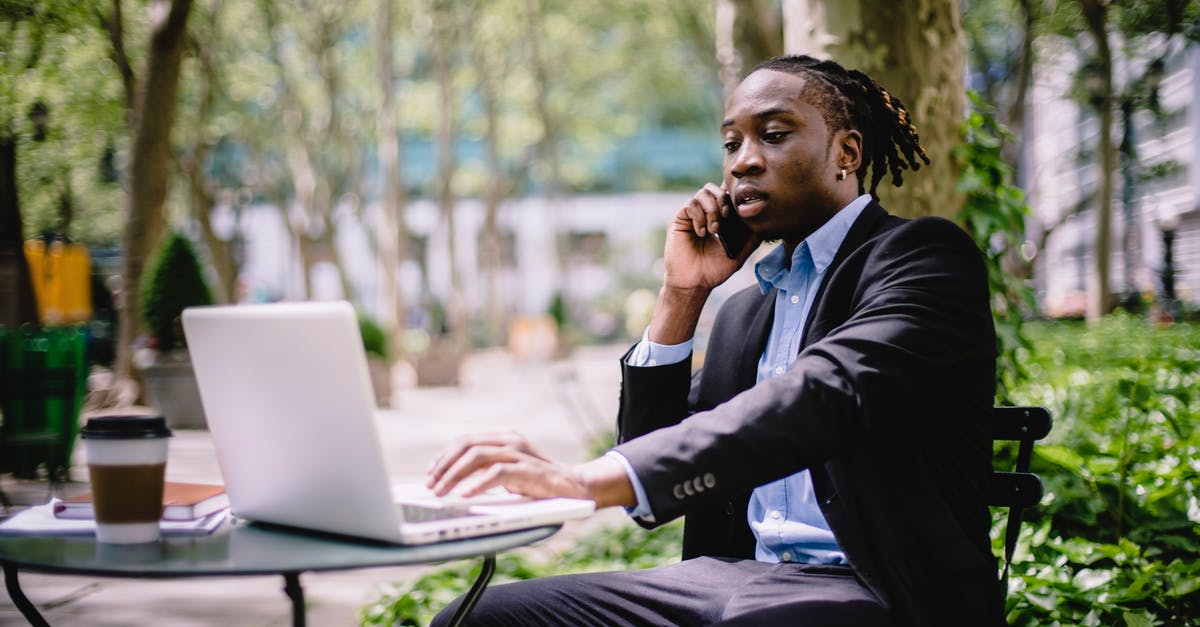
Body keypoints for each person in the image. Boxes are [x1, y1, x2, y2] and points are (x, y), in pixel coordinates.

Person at [426, 54, 1000, 626]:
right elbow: (657, 463)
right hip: (728, 579)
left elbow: (824, 392)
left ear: (846, 153)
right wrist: (682, 294)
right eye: (732, 144)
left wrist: (588, 480)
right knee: (478, 618)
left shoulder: (922, 258)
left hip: (876, 588)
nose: (744, 161)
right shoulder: (745, 313)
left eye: (773, 136)